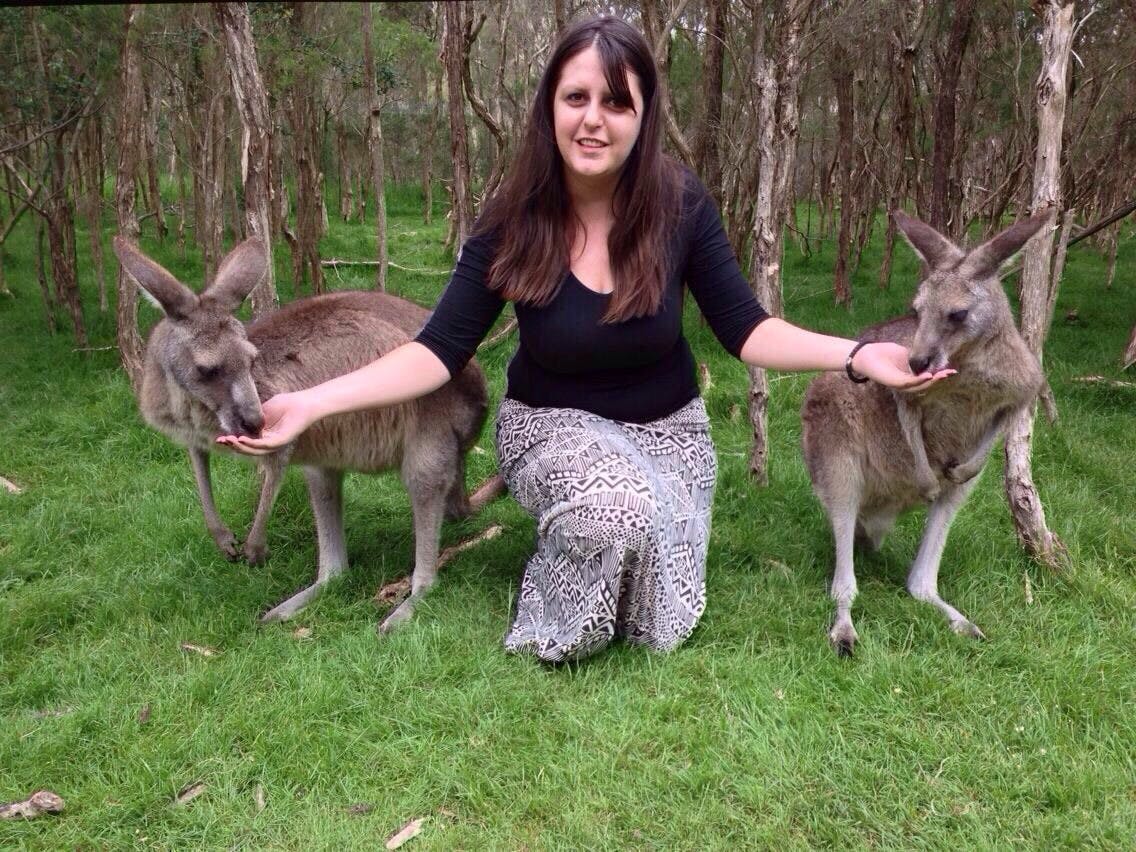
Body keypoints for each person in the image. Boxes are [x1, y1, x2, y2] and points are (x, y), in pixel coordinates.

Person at [219, 16, 951, 662]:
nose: (593, 120)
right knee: (615, 516)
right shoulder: (514, 217)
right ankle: (560, 579)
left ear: (642, 116)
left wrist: (858, 356)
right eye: (576, 98)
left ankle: (607, 541)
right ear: (549, 110)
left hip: (670, 433)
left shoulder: (680, 204)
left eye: (616, 102)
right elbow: (435, 350)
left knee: (661, 622)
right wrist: (310, 403)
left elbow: (747, 330)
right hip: (551, 428)